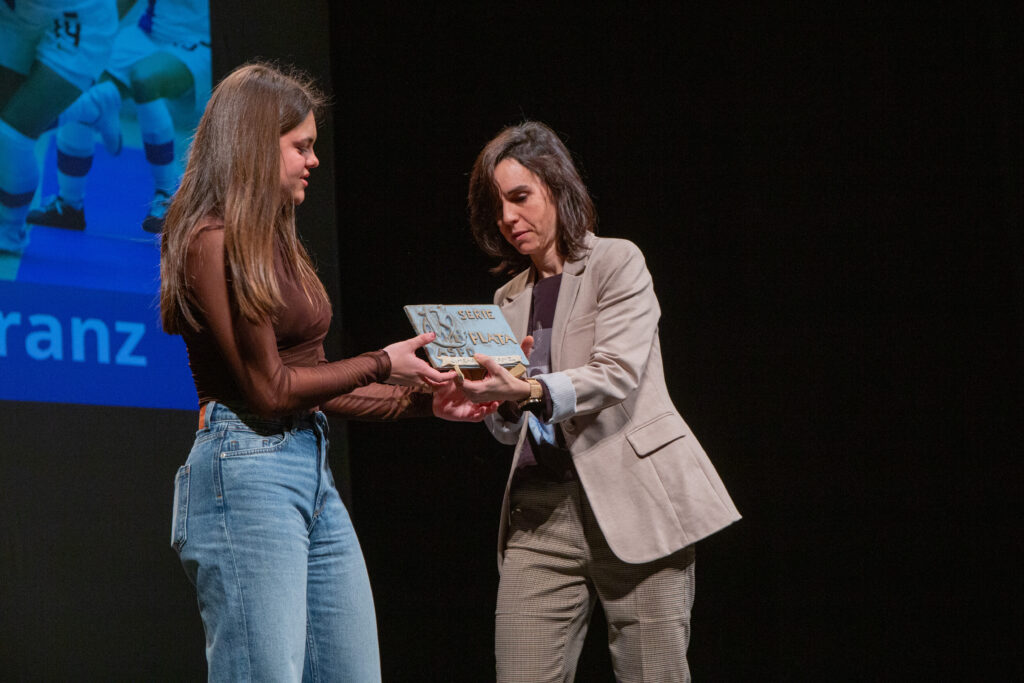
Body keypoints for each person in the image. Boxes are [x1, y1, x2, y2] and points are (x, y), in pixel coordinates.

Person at [159, 62, 495, 681]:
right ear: (258, 146)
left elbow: (314, 385)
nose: (314, 160)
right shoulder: (213, 240)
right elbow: (270, 390)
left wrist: (427, 402)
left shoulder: (276, 242)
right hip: (245, 469)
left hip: (307, 468)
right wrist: (381, 363)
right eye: (301, 147)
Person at [459, 121, 740, 682]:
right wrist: (502, 405)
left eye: (520, 198)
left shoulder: (617, 262)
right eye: (498, 207)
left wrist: (531, 389)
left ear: (557, 188)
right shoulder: (506, 299)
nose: (509, 219)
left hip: (634, 498)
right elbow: (510, 424)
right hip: (540, 513)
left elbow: (616, 373)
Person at [28, 0, 212, 233]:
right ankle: (69, 205)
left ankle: (168, 197)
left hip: (199, 43)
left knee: (144, 79)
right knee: (80, 78)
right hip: (147, 34)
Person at [0, 0, 118, 254]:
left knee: (12, 133)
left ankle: (9, 232)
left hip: (78, 19)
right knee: (10, 124)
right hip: (16, 15)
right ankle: (90, 107)